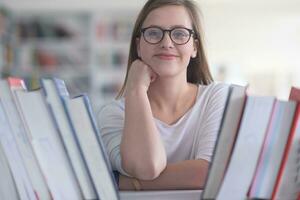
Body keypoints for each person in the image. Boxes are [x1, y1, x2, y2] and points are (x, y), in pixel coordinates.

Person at [98, 0, 229, 191]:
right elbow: (147, 167)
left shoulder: (217, 97)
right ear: (138, 46)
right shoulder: (112, 114)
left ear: (194, 47)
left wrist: (123, 182)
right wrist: (135, 90)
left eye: (179, 34)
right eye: (153, 33)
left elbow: (209, 173)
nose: (166, 43)